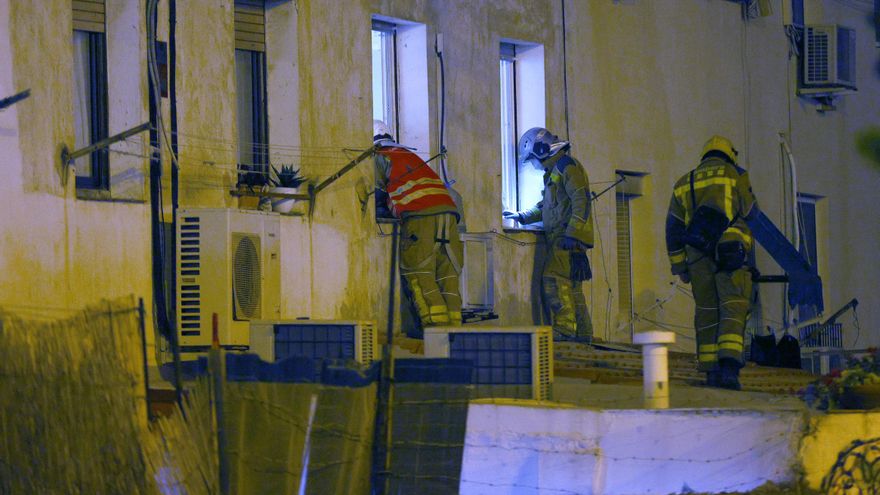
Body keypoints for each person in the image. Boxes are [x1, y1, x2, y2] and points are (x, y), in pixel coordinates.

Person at [665, 135, 759, 390]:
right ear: (730, 155)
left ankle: (710, 372)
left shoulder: (684, 182)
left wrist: (680, 267)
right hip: (730, 252)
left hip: (697, 256)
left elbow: (673, 229)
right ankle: (729, 369)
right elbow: (751, 212)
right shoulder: (735, 174)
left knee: (706, 311)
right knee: (733, 307)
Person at [503, 127, 594, 342]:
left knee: (554, 280)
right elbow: (546, 205)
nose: (533, 164)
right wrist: (522, 216)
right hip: (567, 239)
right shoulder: (556, 170)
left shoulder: (565, 166)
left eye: (532, 159)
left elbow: (581, 200)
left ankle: (565, 330)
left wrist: (572, 233)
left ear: (540, 149)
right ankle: (583, 335)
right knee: (573, 287)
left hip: (566, 239)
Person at [372, 120, 464, 328]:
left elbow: (377, 196)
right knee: (448, 278)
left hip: (421, 218)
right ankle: (454, 335)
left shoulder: (379, 156)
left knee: (420, 276)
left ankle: (436, 335)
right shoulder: (410, 155)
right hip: (449, 216)